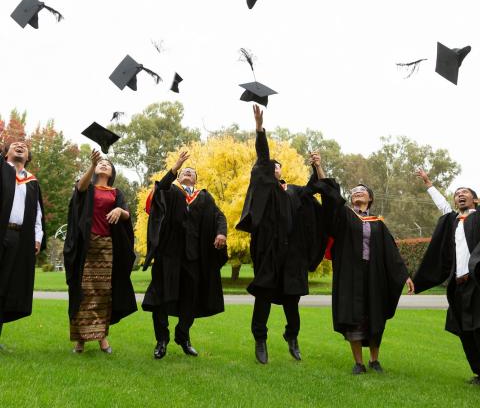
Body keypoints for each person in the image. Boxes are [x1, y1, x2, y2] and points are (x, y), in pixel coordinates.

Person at [236, 105, 328, 364]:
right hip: (270, 252)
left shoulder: (295, 191)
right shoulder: (266, 188)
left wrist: (317, 166)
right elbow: (263, 158)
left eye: (276, 166)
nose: (272, 167)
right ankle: (260, 340)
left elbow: (318, 188)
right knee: (263, 297)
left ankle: (292, 336)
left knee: (292, 300)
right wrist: (259, 129)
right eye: (270, 165)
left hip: (293, 255)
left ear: (281, 170)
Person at [312, 163, 414, 374]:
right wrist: (320, 168)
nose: (357, 193)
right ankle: (358, 363)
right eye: (354, 192)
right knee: (353, 316)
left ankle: (374, 360)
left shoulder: (378, 223)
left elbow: (392, 253)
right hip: (350, 275)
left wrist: (405, 276)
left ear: (370, 198)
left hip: (375, 276)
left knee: (374, 315)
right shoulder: (345, 216)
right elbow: (331, 197)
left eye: (362, 191)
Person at [142, 151, 227, 359]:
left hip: (193, 257)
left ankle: (183, 335)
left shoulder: (205, 197)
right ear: (179, 176)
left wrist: (221, 232)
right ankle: (161, 340)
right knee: (160, 298)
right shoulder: (170, 191)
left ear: (196, 179)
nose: (188, 172)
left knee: (190, 300)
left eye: (192, 172)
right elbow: (159, 187)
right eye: (185, 171)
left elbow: (219, 216)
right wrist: (175, 166)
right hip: (168, 255)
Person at [64, 150, 137, 354]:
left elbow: (126, 214)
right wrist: (91, 164)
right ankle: (80, 340)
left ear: (112, 171)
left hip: (107, 247)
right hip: (86, 247)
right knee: (83, 293)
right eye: (101, 163)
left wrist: (119, 211)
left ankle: (102, 338)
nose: (104, 164)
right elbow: (79, 188)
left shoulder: (116, 193)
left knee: (104, 294)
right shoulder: (88, 188)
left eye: (108, 163)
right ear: (95, 168)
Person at [414, 169, 480, 385]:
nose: (460, 195)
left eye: (465, 192)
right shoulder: (453, 220)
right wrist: (428, 183)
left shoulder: (478, 218)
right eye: (457, 193)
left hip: (477, 283)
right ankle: (478, 372)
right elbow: (442, 206)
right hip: (458, 285)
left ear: (475, 200)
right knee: (465, 330)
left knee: (478, 328)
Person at [0, 140, 45, 348]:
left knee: (6, 287)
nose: (20, 146)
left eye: (24, 146)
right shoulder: (1, 169)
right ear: (6, 152)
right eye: (15, 144)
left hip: (19, 238)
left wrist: (37, 238)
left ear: (28, 157)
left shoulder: (32, 182)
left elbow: (37, 215)